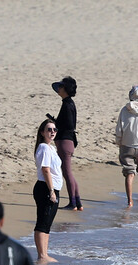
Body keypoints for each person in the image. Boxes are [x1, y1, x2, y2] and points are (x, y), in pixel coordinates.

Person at [33, 118, 63, 263]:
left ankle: (45, 253)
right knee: (43, 222)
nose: (52, 132)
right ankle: (42, 255)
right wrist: (51, 190)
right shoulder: (44, 147)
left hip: (53, 187)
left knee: (48, 223)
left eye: (54, 129)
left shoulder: (51, 147)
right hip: (45, 188)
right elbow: (45, 170)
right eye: (49, 129)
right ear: (42, 132)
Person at [51, 77, 82, 211]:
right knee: (68, 172)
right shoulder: (68, 103)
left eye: (61, 87)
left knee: (67, 172)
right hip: (67, 140)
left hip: (65, 140)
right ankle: (77, 202)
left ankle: (73, 203)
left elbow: (69, 124)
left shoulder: (67, 104)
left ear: (65, 89)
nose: (59, 89)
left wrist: (56, 124)